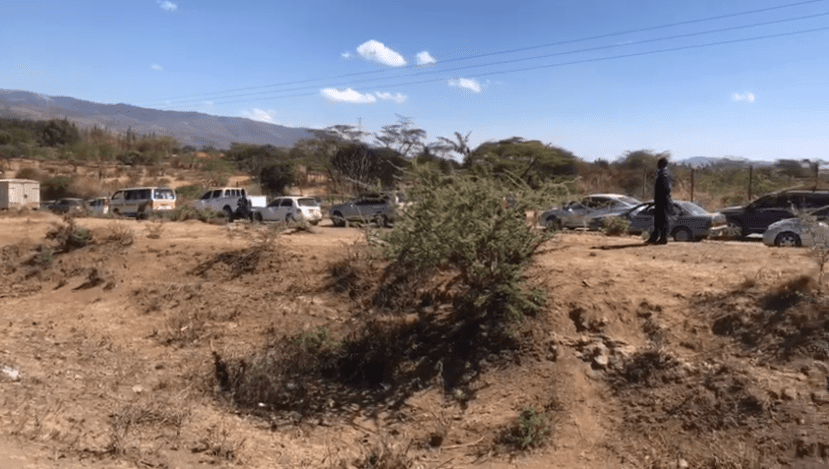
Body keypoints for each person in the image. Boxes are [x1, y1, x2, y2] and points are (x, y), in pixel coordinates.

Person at [646, 157, 673, 245]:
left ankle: (663, 237)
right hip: (662, 199)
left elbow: (666, 188)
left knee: (662, 219)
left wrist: (661, 196)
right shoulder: (667, 173)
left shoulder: (663, 173)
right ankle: (655, 236)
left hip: (662, 199)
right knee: (658, 219)